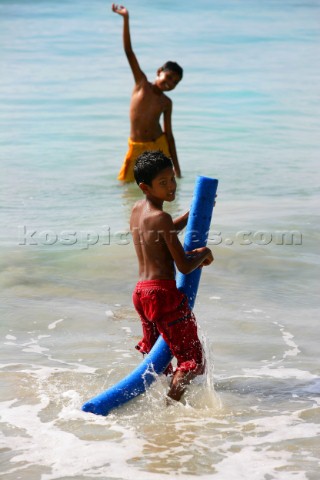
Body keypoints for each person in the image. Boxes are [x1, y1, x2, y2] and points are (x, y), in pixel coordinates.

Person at [130, 150, 214, 403]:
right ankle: (170, 407)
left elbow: (161, 232)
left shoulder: (138, 210)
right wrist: (204, 253)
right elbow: (185, 266)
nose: (171, 187)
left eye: (172, 179)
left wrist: (191, 214)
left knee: (161, 361)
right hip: (163, 295)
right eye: (163, 182)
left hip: (141, 294)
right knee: (193, 361)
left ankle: (160, 410)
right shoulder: (162, 217)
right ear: (146, 186)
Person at [112, 4, 183, 182]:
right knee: (125, 184)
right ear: (159, 71)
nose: (170, 83)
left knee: (163, 184)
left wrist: (177, 167)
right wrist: (126, 19)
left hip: (159, 145)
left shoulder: (167, 102)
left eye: (175, 82)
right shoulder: (141, 83)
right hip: (136, 146)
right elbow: (129, 52)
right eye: (169, 77)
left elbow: (169, 135)